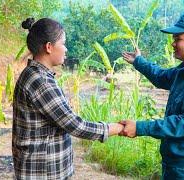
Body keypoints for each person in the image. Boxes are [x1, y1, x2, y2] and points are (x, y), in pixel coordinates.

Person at [12, 17, 124, 179]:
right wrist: (118, 128)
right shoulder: (41, 81)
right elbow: (75, 125)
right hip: (44, 172)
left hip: (41, 167)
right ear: (49, 47)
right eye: (63, 43)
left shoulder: (36, 74)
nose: (66, 49)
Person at [121, 11, 184, 179]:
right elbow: (161, 77)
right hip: (175, 166)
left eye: (178, 39)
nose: (173, 44)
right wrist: (139, 61)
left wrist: (139, 127)